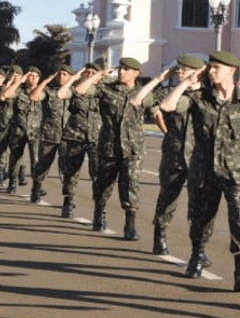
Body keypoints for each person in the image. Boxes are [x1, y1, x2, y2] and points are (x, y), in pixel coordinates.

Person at [159, 51, 240, 292]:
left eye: (216, 68)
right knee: (201, 219)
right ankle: (196, 256)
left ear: (232, 71)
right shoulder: (198, 98)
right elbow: (167, 106)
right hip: (204, 171)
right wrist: (187, 82)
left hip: (237, 172)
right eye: (209, 68)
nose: (211, 72)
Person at [130, 54, 209, 256]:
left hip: (199, 158)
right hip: (173, 156)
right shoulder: (169, 93)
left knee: (198, 205)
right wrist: (159, 79)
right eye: (178, 68)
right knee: (167, 199)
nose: (179, 71)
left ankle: (198, 250)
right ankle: (160, 235)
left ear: (198, 72)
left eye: (184, 69)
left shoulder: (208, 96)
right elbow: (136, 100)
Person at [72, 57, 157, 240]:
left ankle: (130, 225)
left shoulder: (142, 93)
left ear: (136, 73)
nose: (121, 72)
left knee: (131, 185)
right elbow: (79, 90)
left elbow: (156, 110)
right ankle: (99, 212)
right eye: (120, 69)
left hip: (133, 148)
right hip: (109, 146)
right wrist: (99, 75)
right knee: (104, 184)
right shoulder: (106, 90)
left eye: (126, 70)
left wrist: (166, 129)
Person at [56, 61, 103, 218]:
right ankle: (68, 201)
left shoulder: (105, 92)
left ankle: (99, 209)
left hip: (97, 139)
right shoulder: (75, 90)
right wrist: (74, 77)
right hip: (74, 137)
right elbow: (61, 94)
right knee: (71, 173)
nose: (90, 75)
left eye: (93, 73)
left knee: (98, 174)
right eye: (87, 72)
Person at [30, 64, 74, 203]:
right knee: (43, 165)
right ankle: (36, 188)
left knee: (67, 169)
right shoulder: (49, 92)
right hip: (49, 135)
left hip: (68, 136)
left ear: (70, 77)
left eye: (65, 74)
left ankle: (68, 200)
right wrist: (45, 81)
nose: (61, 77)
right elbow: (34, 96)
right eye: (59, 74)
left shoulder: (75, 92)